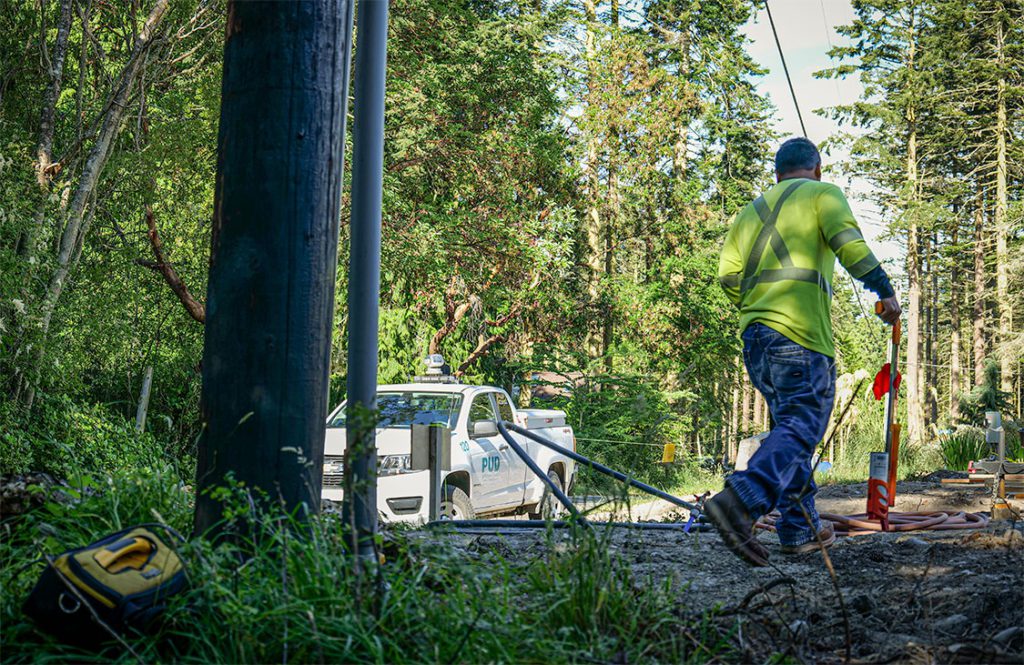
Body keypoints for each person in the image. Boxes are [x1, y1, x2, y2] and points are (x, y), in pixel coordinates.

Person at [707, 137, 901, 566]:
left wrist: (760, 304)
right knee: (803, 424)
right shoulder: (824, 194)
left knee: (788, 428)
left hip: (756, 338)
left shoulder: (750, 211)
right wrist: (884, 290)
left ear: (777, 174)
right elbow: (850, 246)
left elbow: (728, 277)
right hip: (800, 335)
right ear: (818, 169)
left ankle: (798, 529)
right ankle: (741, 500)